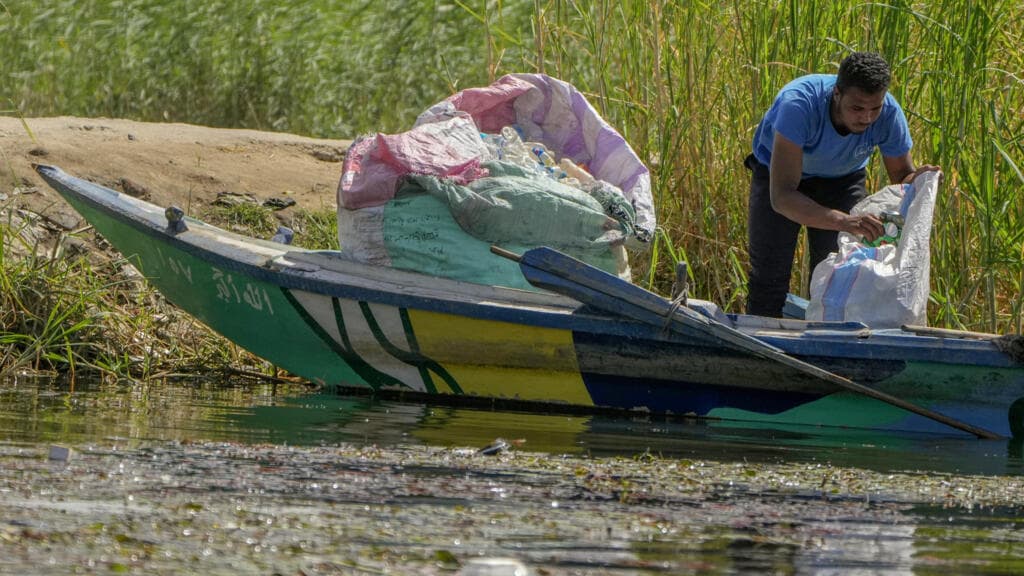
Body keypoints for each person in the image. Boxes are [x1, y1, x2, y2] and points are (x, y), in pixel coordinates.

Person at [744, 51, 939, 317]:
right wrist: (844, 221)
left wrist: (920, 180)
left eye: (875, 109)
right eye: (857, 108)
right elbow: (782, 197)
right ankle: (759, 339)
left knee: (839, 275)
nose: (867, 118)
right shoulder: (798, 105)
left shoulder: (889, 113)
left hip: (842, 181)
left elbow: (902, 179)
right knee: (769, 277)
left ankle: (829, 336)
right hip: (781, 178)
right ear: (837, 93)